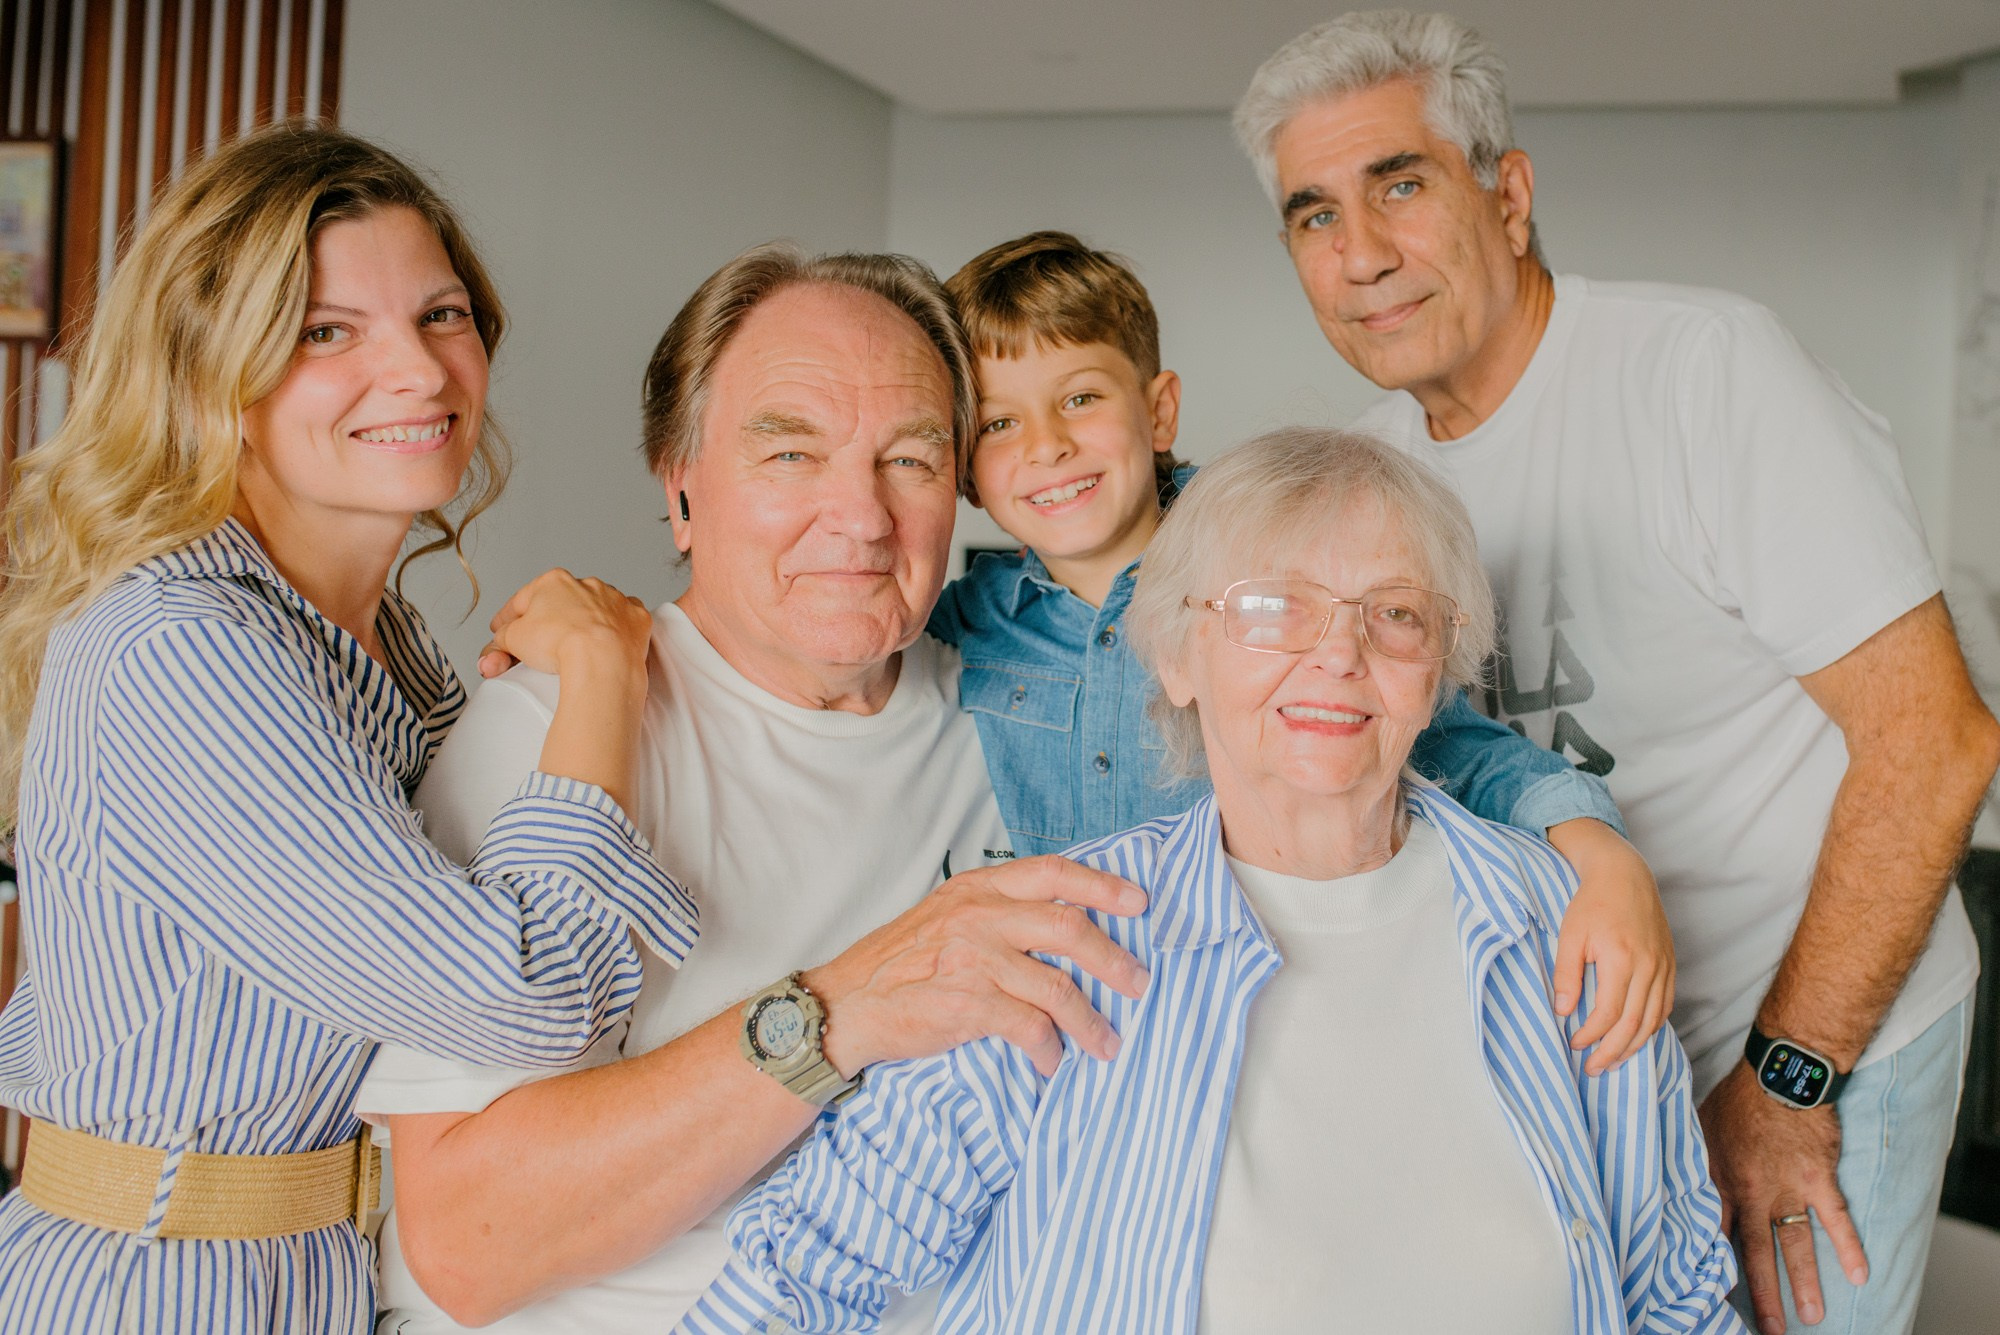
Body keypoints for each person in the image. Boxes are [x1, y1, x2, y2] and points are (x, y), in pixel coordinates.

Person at [1231, 13, 2000, 1333]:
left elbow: (1937, 740)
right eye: (1313, 214)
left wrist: (1784, 1082)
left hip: (1823, 1021)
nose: (1359, 254)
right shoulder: (1366, 474)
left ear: (1509, 196)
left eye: (1400, 184)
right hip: (1589, 1057)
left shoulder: (1702, 374)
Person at [679, 427, 1745, 1335]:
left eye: (1394, 615)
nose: (1337, 654)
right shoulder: (1053, 940)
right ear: (1177, 660)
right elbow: (798, 1279)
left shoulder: (1560, 921)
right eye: (1272, 608)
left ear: (1437, 671)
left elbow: (1677, 1297)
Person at [358, 244, 1151, 1333]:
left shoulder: (1018, 717)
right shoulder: (553, 728)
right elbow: (465, 1242)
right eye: (790, 455)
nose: (862, 517)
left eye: (910, 460)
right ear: (680, 487)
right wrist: (835, 1012)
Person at [0, 125, 698, 1334]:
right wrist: (600, 675)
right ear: (207, 367)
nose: (422, 373)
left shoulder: (389, 644)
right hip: (153, 1289)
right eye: (328, 332)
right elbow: (527, 999)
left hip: (320, 1272)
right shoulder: (185, 646)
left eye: (442, 316)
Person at [930, 229, 1672, 1065]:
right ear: (962, 466)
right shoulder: (964, 621)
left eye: (1079, 399)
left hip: (1281, 1002)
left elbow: (1456, 745)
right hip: (1086, 1029)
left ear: (1160, 409)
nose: (1046, 444)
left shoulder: (1276, 560)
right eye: (998, 421)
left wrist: (1603, 854)